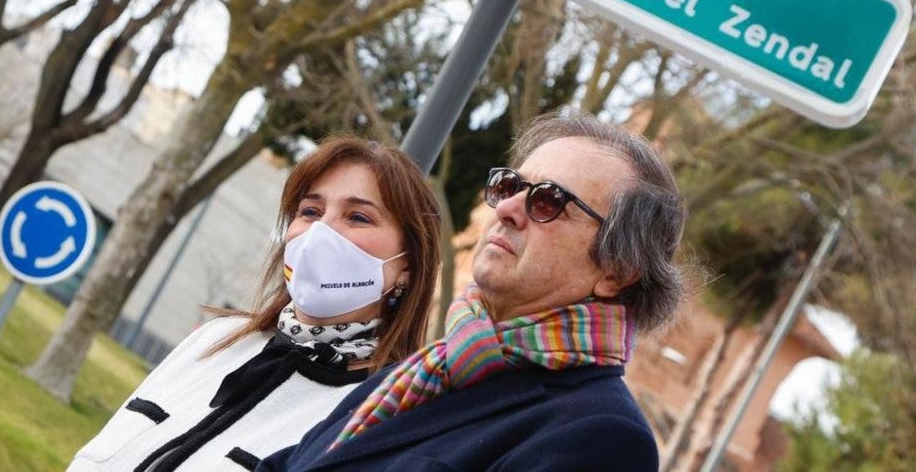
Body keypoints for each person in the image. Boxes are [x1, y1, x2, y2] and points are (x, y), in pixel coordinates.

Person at [260, 110, 686, 472]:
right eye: (509, 186)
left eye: (548, 201)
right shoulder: (432, 367)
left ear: (617, 271)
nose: (506, 209)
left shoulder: (602, 437)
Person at [68, 137, 442, 472]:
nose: (320, 232)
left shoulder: (375, 418)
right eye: (310, 211)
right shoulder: (216, 340)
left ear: (407, 266)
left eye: (357, 217)